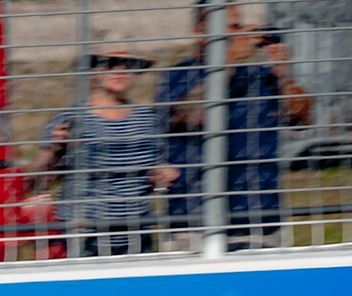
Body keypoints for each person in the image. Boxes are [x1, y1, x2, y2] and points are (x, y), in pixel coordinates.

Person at [156, 1, 314, 249]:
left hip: (259, 215)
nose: (233, 34)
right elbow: (187, 116)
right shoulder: (178, 75)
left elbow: (301, 118)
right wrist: (228, 60)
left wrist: (283, 73)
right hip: (193, 219)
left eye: (236, 27)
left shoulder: (261, 76)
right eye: (224, 27)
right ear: (198, 31)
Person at [33, 42, 177, 257]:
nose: (120, 72)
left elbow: (153, 176)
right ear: (94, 72)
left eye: (128, 65)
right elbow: (38, 183)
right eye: (111, 64)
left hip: (135, 236)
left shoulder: (147, 119)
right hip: (82, 237)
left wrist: (162, 177)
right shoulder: (71, 118)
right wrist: (54, 151)